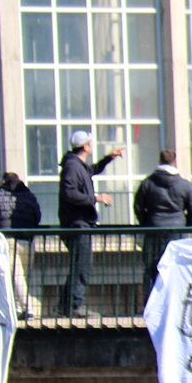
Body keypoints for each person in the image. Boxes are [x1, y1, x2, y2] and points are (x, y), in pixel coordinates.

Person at [58, 129, 122, 317]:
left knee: (78, 265)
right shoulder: (73, 167)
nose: (92, 146)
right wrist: (96, 198)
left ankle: (65, 305)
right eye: (91, 143)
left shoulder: (77, 165)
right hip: (77, 225)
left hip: (79, 223)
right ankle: (74, 306)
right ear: (85, 146)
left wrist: (109, 158)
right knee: (82, 266)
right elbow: (69, 193)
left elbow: (92, 170)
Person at [134, 149, 192, 291]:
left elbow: (138, 207)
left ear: (160, 161)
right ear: (174, 162)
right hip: (177, 230)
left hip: (153, 229)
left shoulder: (147, 183)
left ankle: (150, 303)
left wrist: (146, 223)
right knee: (177, 267)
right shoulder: (185, 185)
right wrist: (187, 225)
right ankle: (176, 303)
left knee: (152, 267)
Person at [0, 168, 40, 320]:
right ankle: (18, 309)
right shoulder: (29, 196)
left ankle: (27, 308)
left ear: (3, 181)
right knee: (21, 277)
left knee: (15, 277)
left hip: (5, 239)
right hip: (27, 239)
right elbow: (37, 216)